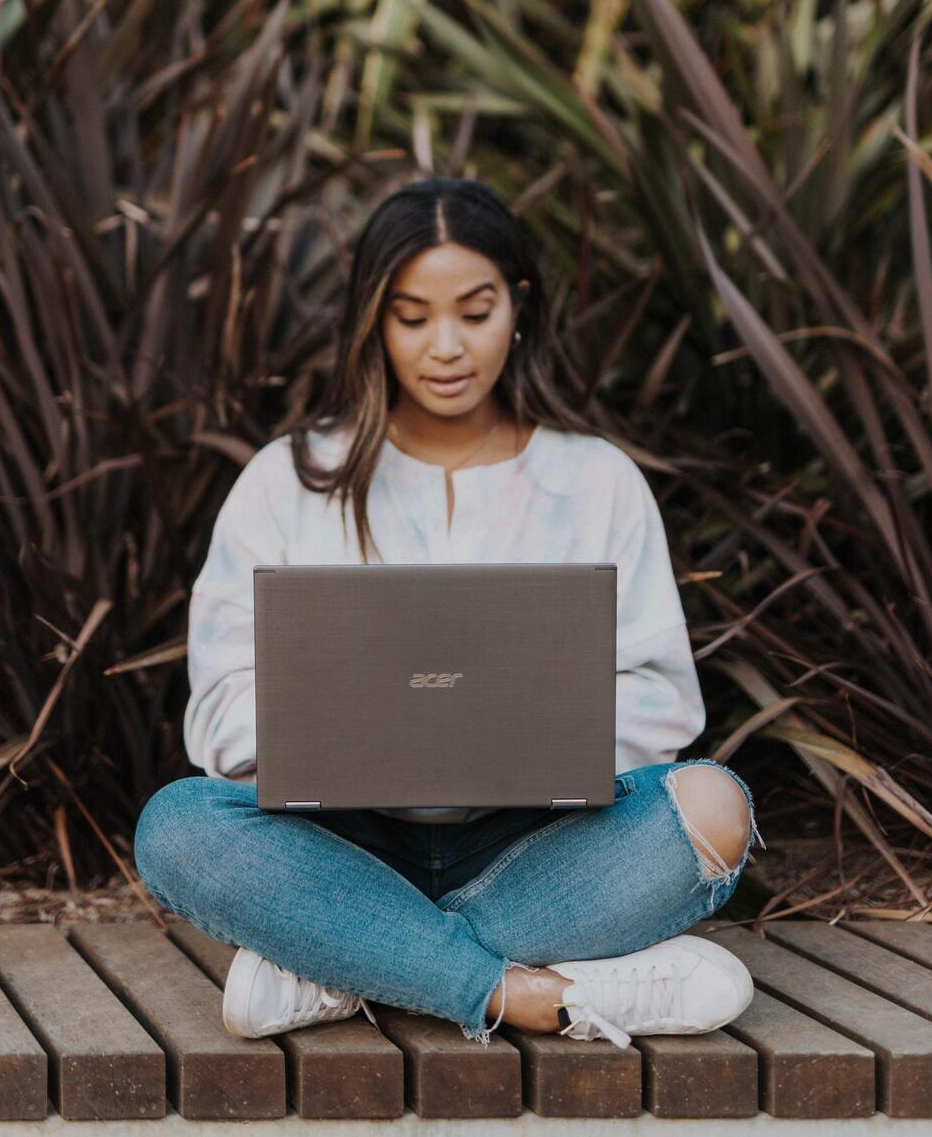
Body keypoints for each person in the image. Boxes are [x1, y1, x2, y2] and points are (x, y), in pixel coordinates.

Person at [134, 177, 763, 1049]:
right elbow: (220, 709)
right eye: (411, 316)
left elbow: (662, 701)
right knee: (177, 828)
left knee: (714, 804)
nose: (446, 348)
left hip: (539, 848)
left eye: (475, 312)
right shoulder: (289, 478)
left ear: (519, 307)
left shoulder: (596, 478)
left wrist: (515, 743)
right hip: (337, 844)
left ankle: (345, 963)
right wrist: (369, 740)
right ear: (372, 321)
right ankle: (526, 991)